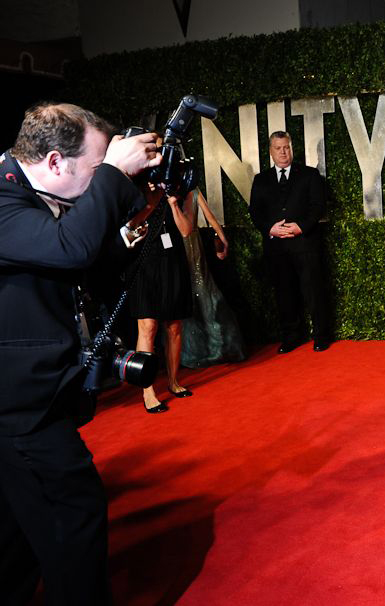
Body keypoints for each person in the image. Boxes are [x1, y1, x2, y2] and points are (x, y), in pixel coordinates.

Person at [0, 102, 160, 605]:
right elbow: (69, 249)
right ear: (54, 162)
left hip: (32, 395)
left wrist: (142, 202)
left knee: (19, 530)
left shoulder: (34, 192)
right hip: (20, 405)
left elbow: (89, 254)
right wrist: (113, 172)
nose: (97, 181)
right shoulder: (2, 199)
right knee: (74, 511)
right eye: (93, 168)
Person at [249, 131, 331, 353]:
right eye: (278, 148)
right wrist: (270, 228)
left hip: (305, 244)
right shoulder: (261, 180)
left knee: (313, 291)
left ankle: (321, 336)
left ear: (291, 148)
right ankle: (292, 336)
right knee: (284, 293)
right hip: (277, 247)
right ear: (271, 151)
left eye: (286, 147)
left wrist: (301, 226)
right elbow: (255, 212)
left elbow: (317, 206)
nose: (283, 152)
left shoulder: (309, 175)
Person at [124, 178, 195, 413]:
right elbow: (127, 228)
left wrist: (174, 204)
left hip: (172, 262)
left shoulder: (182, 187)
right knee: (148, 326)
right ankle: (148, 391)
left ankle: (174, 382)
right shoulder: (134, 185)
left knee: (174, 326)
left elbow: (186, 230)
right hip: (143, 262)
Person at [179, 187, 246, 367]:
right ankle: (209, 348)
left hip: (187, 247)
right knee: (200, 293)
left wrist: (222, 239)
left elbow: (209, 216)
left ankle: (209, 349)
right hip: (184, 247)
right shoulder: (191, 189)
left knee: (198, 293)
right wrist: (223, 239)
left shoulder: (176, 190)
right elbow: (210, 217)